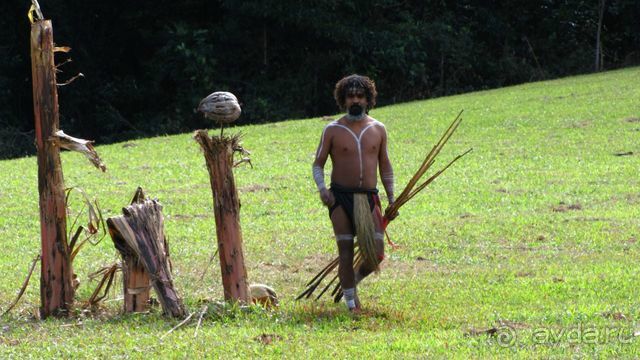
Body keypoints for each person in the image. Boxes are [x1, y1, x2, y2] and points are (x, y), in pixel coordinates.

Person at [312, 74, 396, 313]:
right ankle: (351, 305)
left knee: (376, 253)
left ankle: (351, 284)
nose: (355, 100)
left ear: (368, 99)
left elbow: (385, 165)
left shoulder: (378, 129)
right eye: (350, 97)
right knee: (346, 251)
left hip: (368, 198)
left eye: (360, 96)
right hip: (340, 198)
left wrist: (392, 199)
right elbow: (318, 164)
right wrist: (322, 190)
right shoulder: (332, 129)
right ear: (343, 100)